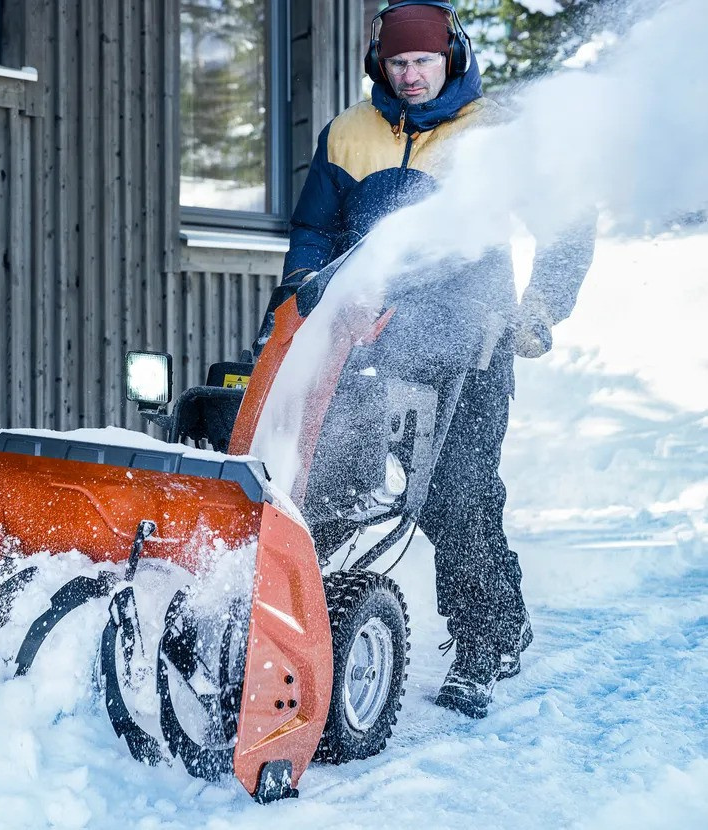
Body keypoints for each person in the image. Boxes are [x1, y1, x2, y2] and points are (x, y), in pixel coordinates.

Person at [275, 0, 594, 718]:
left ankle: (485, 643)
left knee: (456, 497)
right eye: (397, 63)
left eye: (422, 61)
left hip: (471, 343)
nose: (410, 75)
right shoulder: (349, 134)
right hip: (365, 343)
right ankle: (305, 627)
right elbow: (312, 231)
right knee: (324, 484)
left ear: (451, 55)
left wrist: (539, 308)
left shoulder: (492, 136)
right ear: (379, 65)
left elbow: (567, 220)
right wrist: (299, 294)